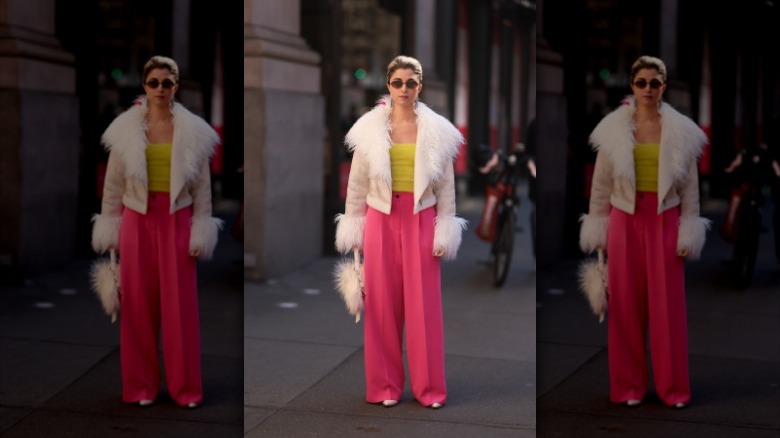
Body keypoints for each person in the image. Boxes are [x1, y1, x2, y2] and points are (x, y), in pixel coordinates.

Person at [334, 55, 466, 409]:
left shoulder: (437, 131)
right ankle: (385, 386)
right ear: (388, 86)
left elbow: (446, 187)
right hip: (379, 220)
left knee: (424, 308)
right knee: (381, 308)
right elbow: (357, 186)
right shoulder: (369, 130)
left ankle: (430, 390)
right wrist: (355, 232)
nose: (404, 89)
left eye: (411, 82)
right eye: (397, 82)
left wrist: (444, 230)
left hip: (422, 219)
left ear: (419, 87)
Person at [91, 55, 222, 408]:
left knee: (180, 309)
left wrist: (200, 231)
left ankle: (186, 390)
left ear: (176, 86)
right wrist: (111, 232)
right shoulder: (126, 131)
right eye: (154, 83)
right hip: (136, 220)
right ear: (144, 87)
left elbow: (202, 189)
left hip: (177, 220)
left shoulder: (193, 131)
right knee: (137, 308)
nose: (160, 89)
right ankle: (141, 387)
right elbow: (113, 187)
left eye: (167, 82)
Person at [579, 56, 709, 409]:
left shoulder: (682, 132)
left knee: (668, 308)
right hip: (623, 220)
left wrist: (687, 230)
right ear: (632, 86)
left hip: (665, 220)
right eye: (641, 83)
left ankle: (674, 390)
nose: (648, 89)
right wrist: (598, 230)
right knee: (624, 307)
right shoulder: (613, 130)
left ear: (663, 86)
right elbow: (601, 187)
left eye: (655, 83)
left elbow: (690, 189)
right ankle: (629, 387)